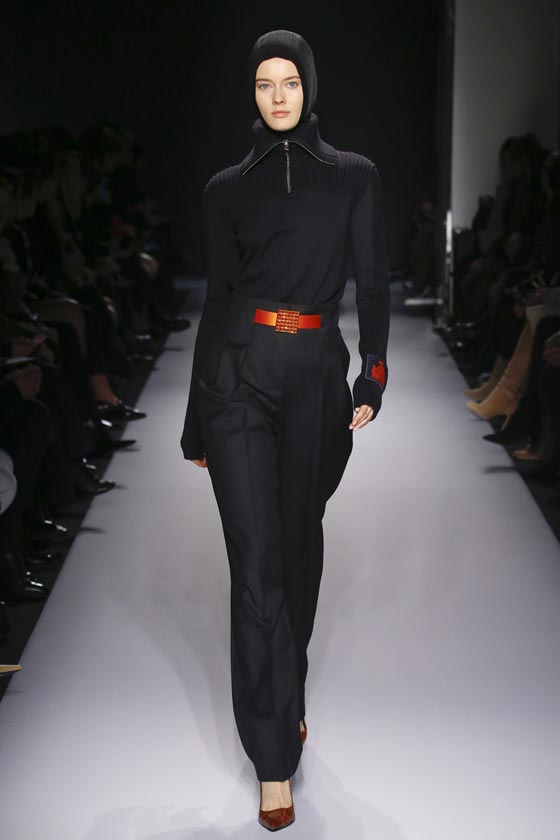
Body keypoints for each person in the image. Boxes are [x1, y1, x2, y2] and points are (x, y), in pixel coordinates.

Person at [180, 29, 391, 831]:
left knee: (297, 549)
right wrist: (197, 416)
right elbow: (217, 299)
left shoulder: (353, 177)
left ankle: (286, 689)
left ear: (309, 86)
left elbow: (373, 281)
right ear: (253, 92)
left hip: (314, 378)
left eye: (289, 82)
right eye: (264, 83)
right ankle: (273, 758)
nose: (277, 96)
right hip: (238, 376)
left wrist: (373, 371)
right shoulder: (225, 189)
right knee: (257, 562)